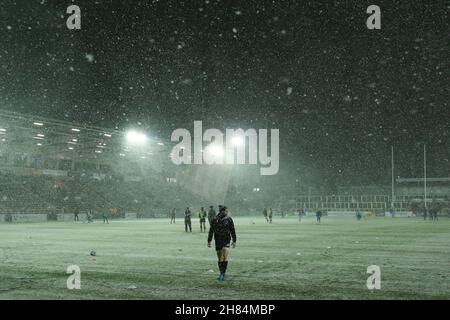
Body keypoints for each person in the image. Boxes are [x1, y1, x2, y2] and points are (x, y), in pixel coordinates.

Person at [207, 206, 237, 281]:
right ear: (222, 211)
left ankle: (223, 273)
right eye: (226, 211)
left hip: (226, 239)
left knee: (225, 253)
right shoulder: (214, 219)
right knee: (220, 257)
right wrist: (209, 240)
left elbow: (232, 229)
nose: (227, 212)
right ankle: (221, 273)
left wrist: (234, 240)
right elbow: (211, 230)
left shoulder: (229, 219)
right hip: (218, 239)